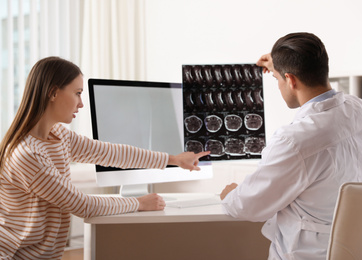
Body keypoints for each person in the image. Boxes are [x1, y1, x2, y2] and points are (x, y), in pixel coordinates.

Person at [0, 56, 209, 259]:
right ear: (53, 92)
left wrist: (173, 159)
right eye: (77, 93)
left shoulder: (59, 136)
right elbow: (82, 205)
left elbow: (112, 153)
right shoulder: (28, 155)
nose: (81, 104)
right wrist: (138, 203)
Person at [220, 32, 362, 260]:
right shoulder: (359, 110)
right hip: (349, 249)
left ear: (291, 80)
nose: (279, 85)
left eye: (278, 80)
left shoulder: (294, 141)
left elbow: (247, 206)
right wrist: (279, 64)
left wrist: (231, 195)